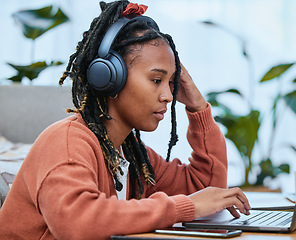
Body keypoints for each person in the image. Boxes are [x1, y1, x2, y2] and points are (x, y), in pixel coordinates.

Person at [0, 1, 250, 239]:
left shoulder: (130, 154)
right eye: (156, 80)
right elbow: (77, 222)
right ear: (109, 77)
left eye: (172, 83)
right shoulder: (67, 143)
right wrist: (183, 207)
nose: (168, 96)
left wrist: (197, 107)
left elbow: (208, 189)